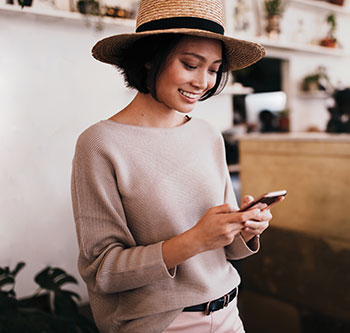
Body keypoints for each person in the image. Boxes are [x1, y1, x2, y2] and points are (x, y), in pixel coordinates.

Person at [71, 0, 273, 332]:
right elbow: (102, 270)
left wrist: (244, 227)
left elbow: (224, 248)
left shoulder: (208, 135)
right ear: (149, 58)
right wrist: (194, 240)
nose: (204, 81)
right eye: (190, 64)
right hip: (162, 323)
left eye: (213, 69)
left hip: (228, 314)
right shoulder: (100, 144)